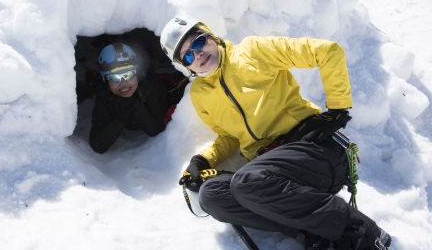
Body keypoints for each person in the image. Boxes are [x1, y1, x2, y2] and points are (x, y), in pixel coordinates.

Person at [160, 17, 391, 250]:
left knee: (246, 182)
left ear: (211, 36)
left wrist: (338, 110)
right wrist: (202, 161)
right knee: (212, 195)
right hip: (274, 177)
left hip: (314, 150)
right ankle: (311, 235)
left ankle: (360, 230)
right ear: (185, 66)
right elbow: (230, 137)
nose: (197, 55)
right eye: (187, 55)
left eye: (198, 43)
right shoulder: (200, 94)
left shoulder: (252, 51)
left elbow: (327, 51)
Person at [89, 43, 168, 153]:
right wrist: (119, 119)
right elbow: (97, 144)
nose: (123, 83)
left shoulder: (151, 88)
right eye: (115, 77)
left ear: (137, 73)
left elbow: (157, 129)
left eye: (128, 74)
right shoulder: (105, 95)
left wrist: (135, 105)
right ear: (106, 80)